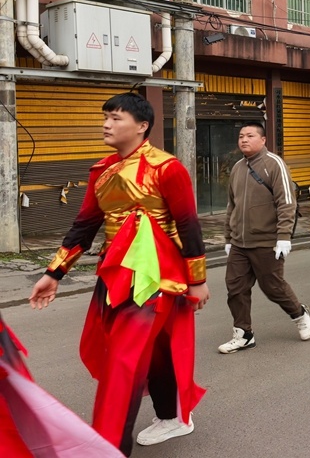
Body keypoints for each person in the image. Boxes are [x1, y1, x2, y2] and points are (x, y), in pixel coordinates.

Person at [29, 93, 210, 455]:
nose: (106, 124)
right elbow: (84, 227)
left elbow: (189, 225)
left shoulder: (166, 167)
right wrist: (54, 273)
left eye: (116, 117)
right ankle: (172, 415)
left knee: (124, 361)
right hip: (116, 274)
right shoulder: (102, 170)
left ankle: (107, 447)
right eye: (105, 117)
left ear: (142, 126)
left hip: (158, 277)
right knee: (154, 352)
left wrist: (198, 280)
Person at [219, 121, 310, 354]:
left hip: (267, 240)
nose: (243, 139)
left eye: (250, 135)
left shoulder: (274, 164)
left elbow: (287, 202)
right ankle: (244, 334)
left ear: (262, 140)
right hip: (240, 243)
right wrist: (228, 238)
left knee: (273, 286)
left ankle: (299, 315)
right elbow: (232, 205)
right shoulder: (237, 168)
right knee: (236, 287)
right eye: (241, 136)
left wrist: (283, 236)